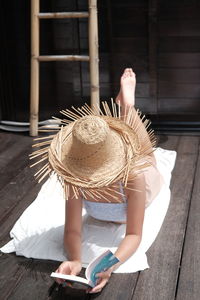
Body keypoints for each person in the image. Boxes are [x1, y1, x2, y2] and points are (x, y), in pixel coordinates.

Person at [46, 68, 163, 293]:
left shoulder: (133, 176)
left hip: (144, 179)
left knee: (146, 155)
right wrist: (74, 260)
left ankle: (128, 106)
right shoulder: (74, 177)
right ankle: (125, 108)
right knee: (140, 149)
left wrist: (109, 266)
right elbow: (72, 229)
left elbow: (134, 234)